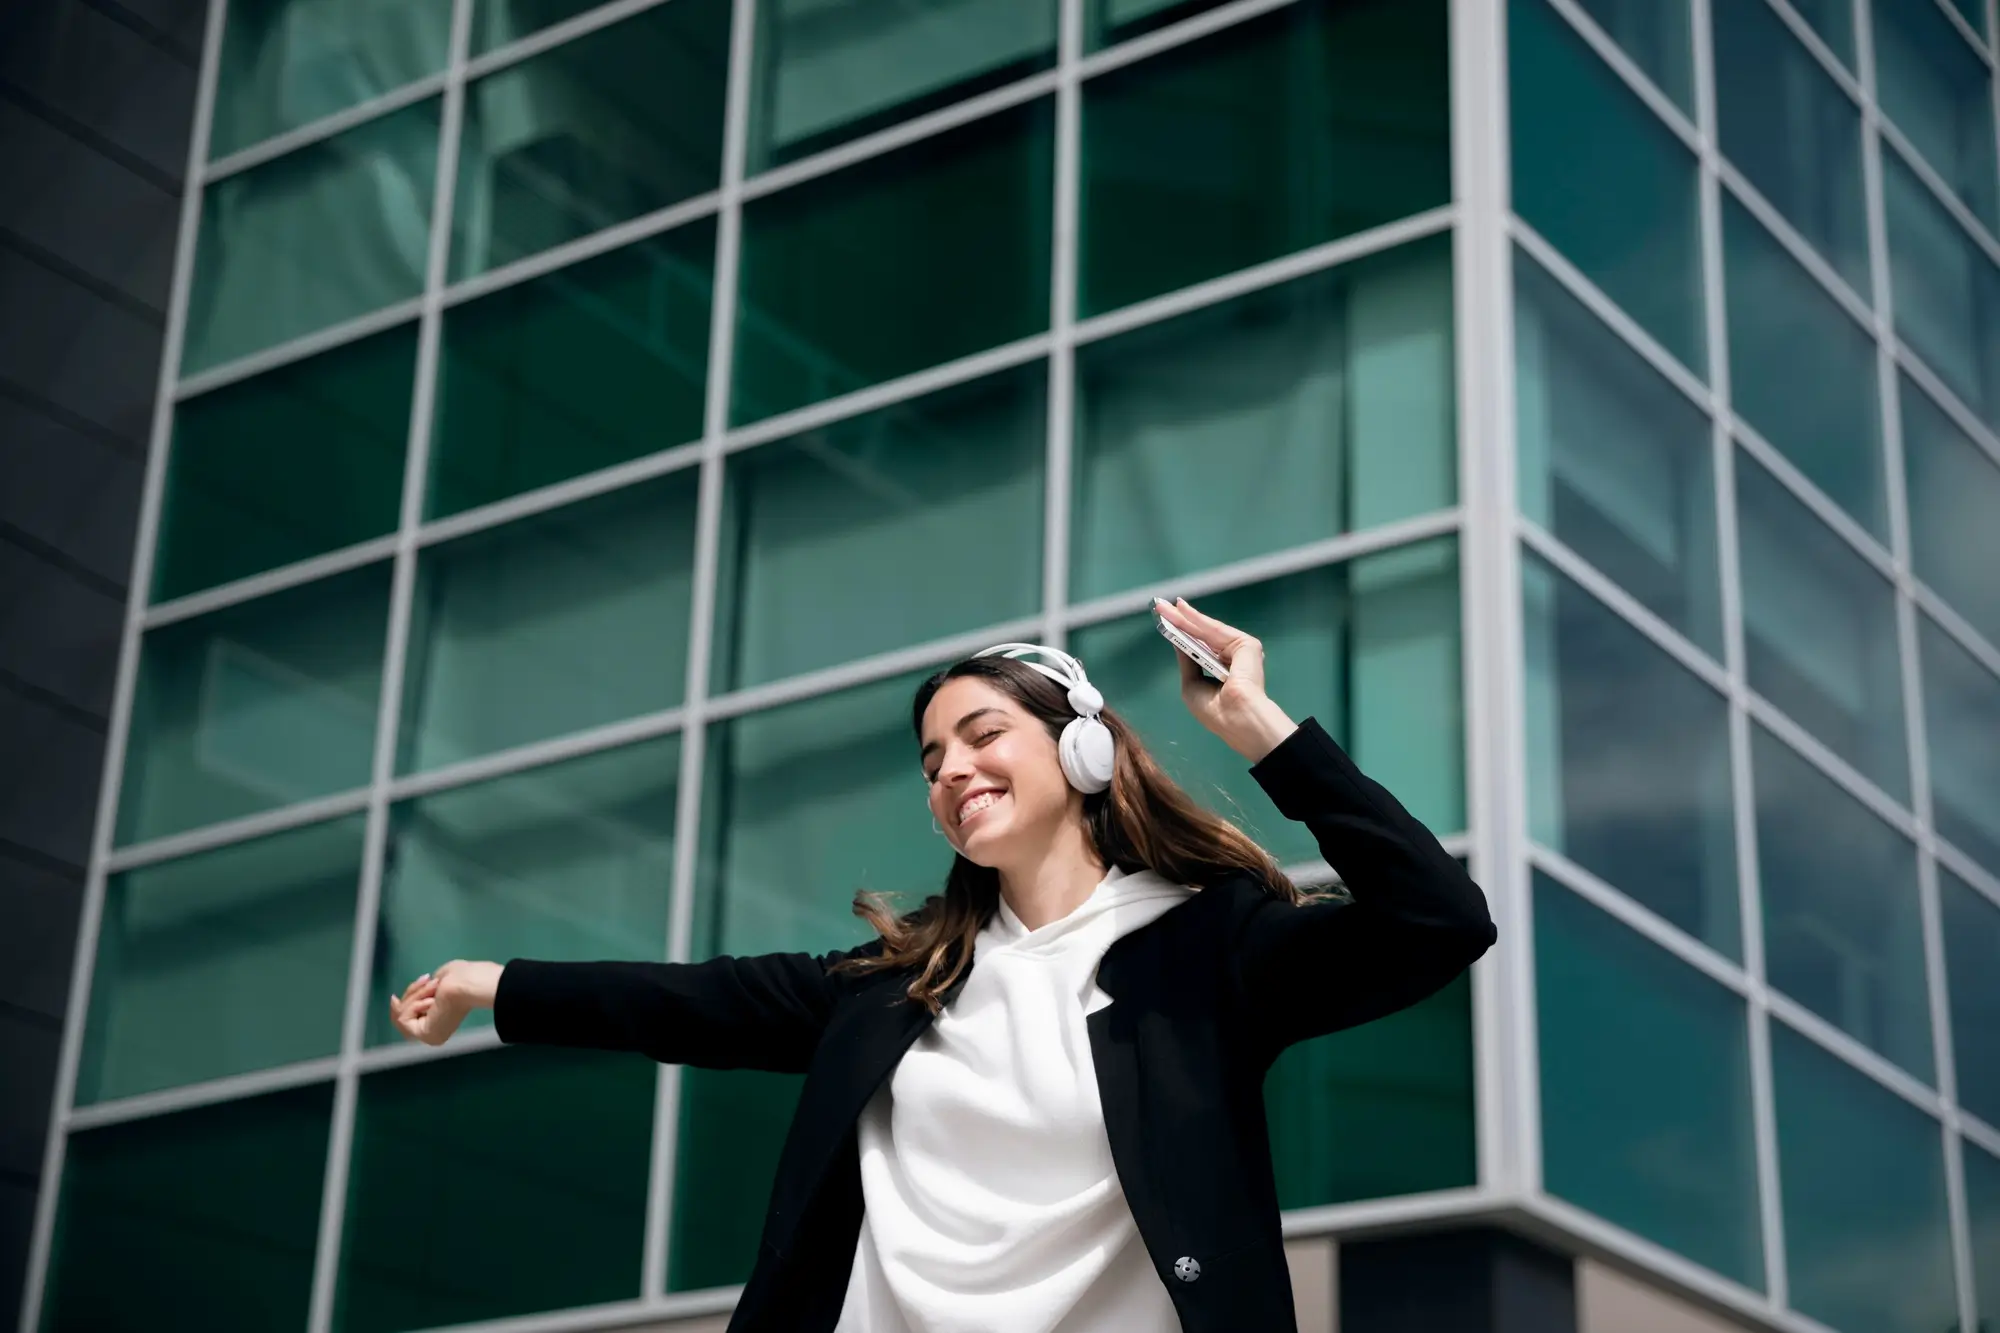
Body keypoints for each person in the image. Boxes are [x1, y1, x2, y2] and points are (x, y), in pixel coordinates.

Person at [389, 596, 1495, 1333]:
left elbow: (1437, 919)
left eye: (981, 734)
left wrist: (1256, 726)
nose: (951, 770)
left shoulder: (1210, 951)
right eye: (931, 760)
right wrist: (489, 983)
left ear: (1081, 747)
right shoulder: (895, 984)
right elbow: (685, 1001)